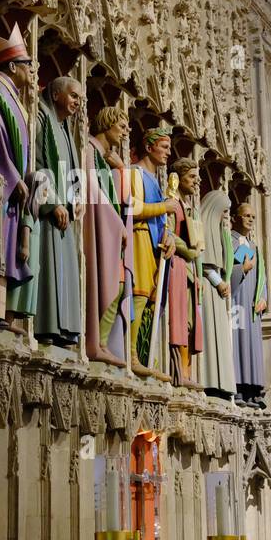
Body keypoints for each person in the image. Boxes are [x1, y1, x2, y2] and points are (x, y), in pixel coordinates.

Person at [0, 24, 38, 329]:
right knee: (1, 245)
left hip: (16, 188)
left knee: (11, 248)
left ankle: (4, 312)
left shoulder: (14, 96)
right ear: (13, 65)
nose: (32, 70)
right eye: (28, 65)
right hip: (4, 183)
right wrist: (12, 175)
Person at [32, 76, 84, 347]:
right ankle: (47, 326)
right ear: (55, 95)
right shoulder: (42, 118)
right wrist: (53, 202)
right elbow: (36, 164)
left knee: (65, 268)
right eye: (73, 96)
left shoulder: (64, 128)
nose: (77, 102)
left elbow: (72, 170)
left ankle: (66, 329)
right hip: (49, 213)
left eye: (79, 98)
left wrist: (77, 198)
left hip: (66, 214)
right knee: (50, 267)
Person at [129, 127, 182, 380]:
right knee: (138, 295)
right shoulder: (135, 172)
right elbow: (134, 207)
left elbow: (162, 220)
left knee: (152, 301)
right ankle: (131, 355)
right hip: (139, 236)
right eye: (164, 147)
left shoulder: (156, 181)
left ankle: (147, 356)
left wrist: (170, 237)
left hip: (155, 244)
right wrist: (165, 206)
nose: (168, 153)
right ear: (149, 147)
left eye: (169, 148)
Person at [84, 106, 133, 367]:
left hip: (109, 228)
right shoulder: (91, 150)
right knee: (104, 283)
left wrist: (122, 168)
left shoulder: (106, 158)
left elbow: (123, 198)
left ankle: (102, 343)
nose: (126, 133)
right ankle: (96, 343)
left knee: (116, 285)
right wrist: (117, 224)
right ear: (107, 124)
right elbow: (92, 190)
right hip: (98, 227)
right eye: (122, 127)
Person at [166, 158, 204, 389]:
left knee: (189, 323)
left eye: (198, 178)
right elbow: (168, 232)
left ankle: (187, 371)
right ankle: (178, 373)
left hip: (189, 270)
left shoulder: (189, 207)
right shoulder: (172, 201)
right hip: (177, 266)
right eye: (192, 177)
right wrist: (189, 251)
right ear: (179, 178)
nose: (196, 182)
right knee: (179, 321)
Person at [197, 190, 237, 401]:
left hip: (218, 289)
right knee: (209, 334)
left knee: (218, 334)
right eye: (224, 212)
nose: (226, 216)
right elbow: (203, 260)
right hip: (209, 286)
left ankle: (222, 384)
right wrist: (219, 282)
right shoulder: (204, 226)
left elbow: (226, 258)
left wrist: (224, 281)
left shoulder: (218, 231)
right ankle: (210, 381)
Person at [230, 200, 269, 408]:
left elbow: (262, 274)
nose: (251, 219)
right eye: (247, 216)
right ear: (236, 217)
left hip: (252, 305)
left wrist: (263, 296)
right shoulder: (229, 241)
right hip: (236, 301)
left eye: (253, 217)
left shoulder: (254, 247)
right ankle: (237, 387)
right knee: (237, 343)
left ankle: (253, 390)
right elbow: (224, 270)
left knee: (252, 345)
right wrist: (241, 270)